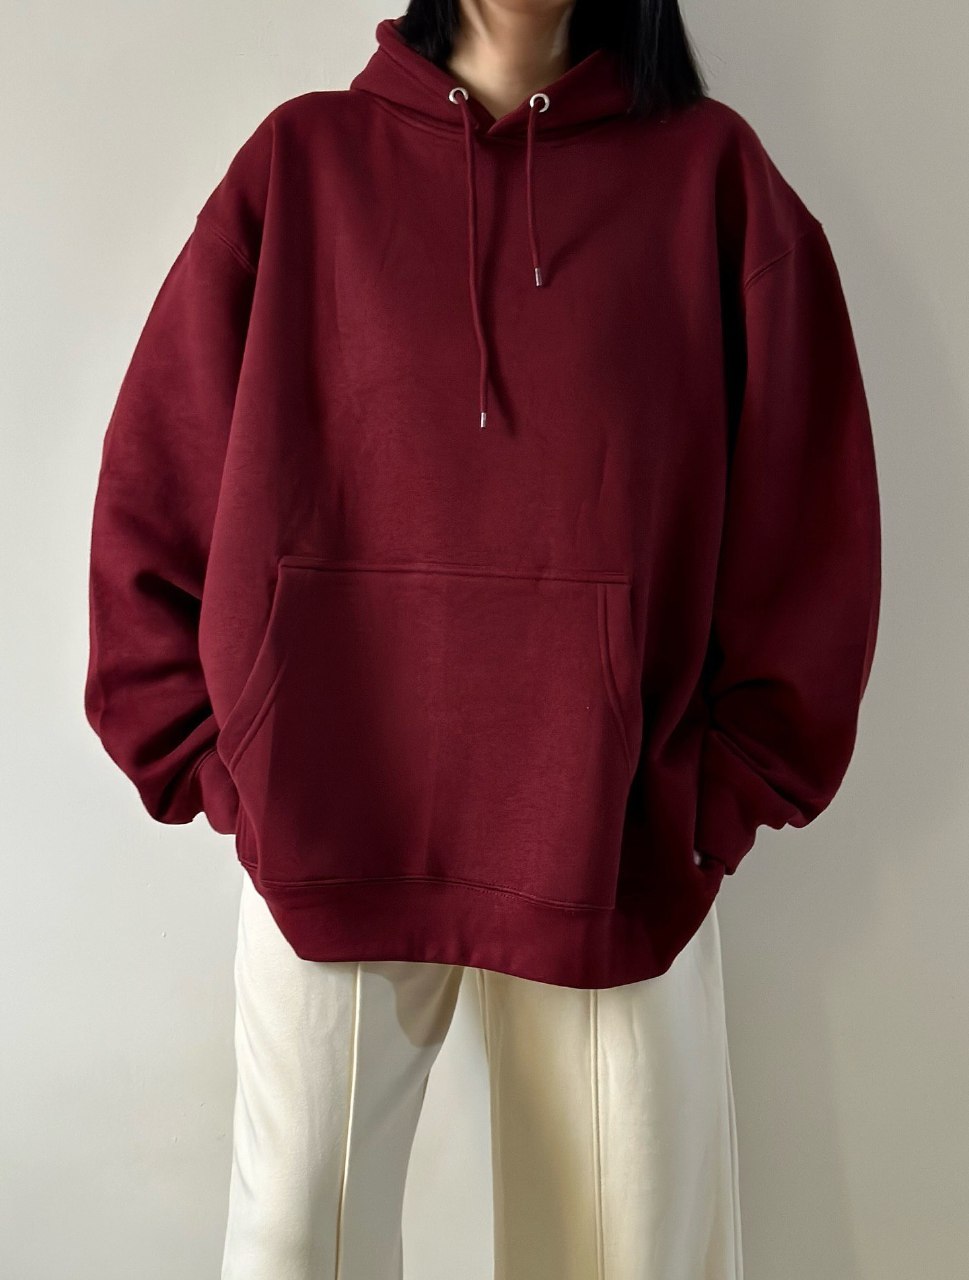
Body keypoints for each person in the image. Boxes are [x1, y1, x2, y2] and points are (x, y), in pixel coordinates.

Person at [83, 2, 881, 1277]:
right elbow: (157, 480)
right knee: (293, 1248)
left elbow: (809, 520)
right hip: (329, 823)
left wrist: (723, 794)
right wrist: (219, 763)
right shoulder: (302, 164)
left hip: (618, 846)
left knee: (622, 1259)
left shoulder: (711, 177)